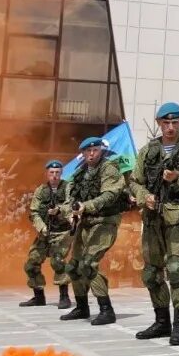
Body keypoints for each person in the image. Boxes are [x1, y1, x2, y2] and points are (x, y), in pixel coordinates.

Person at [129, 102, 179, 345]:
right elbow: (133, 181)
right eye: (166, 123)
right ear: (159, 123)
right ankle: (162, 321)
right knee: (151, 273)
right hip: (153, 221)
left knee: (175, 270)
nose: (170, 127)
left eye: (175, 122)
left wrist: (178, 178)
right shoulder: (148, 151)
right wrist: (144, 197)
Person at [61, 137, 126, 325]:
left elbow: (109, 195)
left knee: (89, 264)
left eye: (95, 150)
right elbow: (69, 199)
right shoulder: (79, 173)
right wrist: (70, 213)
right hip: (85, 222)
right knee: (73, 267)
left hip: (105, 221)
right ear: (82, 153)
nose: (91, 154)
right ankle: (82, 307)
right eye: (88, 151)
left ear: (100, 151)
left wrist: (85, 206)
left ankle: (107, 310)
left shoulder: (109, 169)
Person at [19, 160, 72, 309]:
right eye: (51, 173)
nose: (54, 176)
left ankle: (64, 296)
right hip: (45, 232)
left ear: (61, 173)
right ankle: (38, 296)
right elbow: (34, 212)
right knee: (31, 263)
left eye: (57, 173)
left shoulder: (68, 187)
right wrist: (41, 227)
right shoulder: (41, 190)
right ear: (47, 174)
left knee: (58, 262)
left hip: (62, 231)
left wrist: (59, 210)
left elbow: (71, 205)